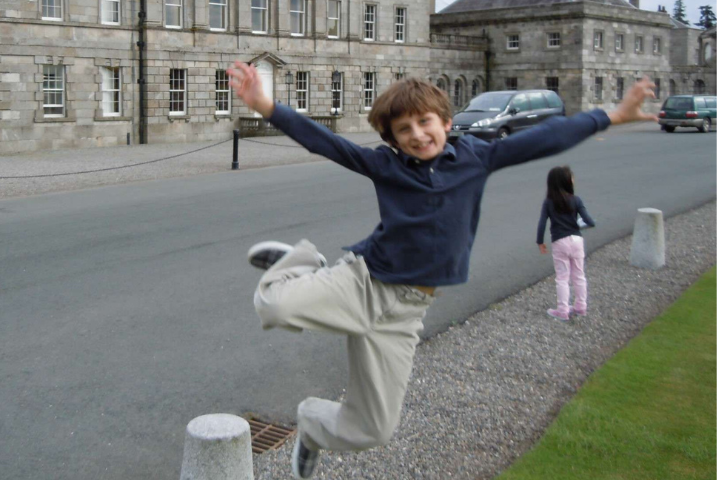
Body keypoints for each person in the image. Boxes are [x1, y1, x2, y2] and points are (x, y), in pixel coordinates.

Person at [226, 60, 657, 479]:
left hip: (406, 311)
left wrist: (611, 115)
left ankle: (314, 427)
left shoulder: (477, 158)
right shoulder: (386, 165)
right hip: (366, 282)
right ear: (392, 139)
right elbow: (326, 143)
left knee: (375, 429)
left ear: (446, 122)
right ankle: (302, 264)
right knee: (272, 307)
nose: (417, 135)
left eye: (424, 122)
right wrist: (267, 106)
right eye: (403, 130)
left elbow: (545, 138)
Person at [537, 166, 595, 321]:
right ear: (567, 182)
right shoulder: (576, 200)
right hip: (576, 240)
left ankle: (562, 310)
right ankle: (581, 306)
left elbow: (542, 223)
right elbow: (590, 221)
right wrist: (578, 225)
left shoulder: (549, 202)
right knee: (579, 275)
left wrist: (540, 241)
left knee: (562, 277)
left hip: (559, 241)